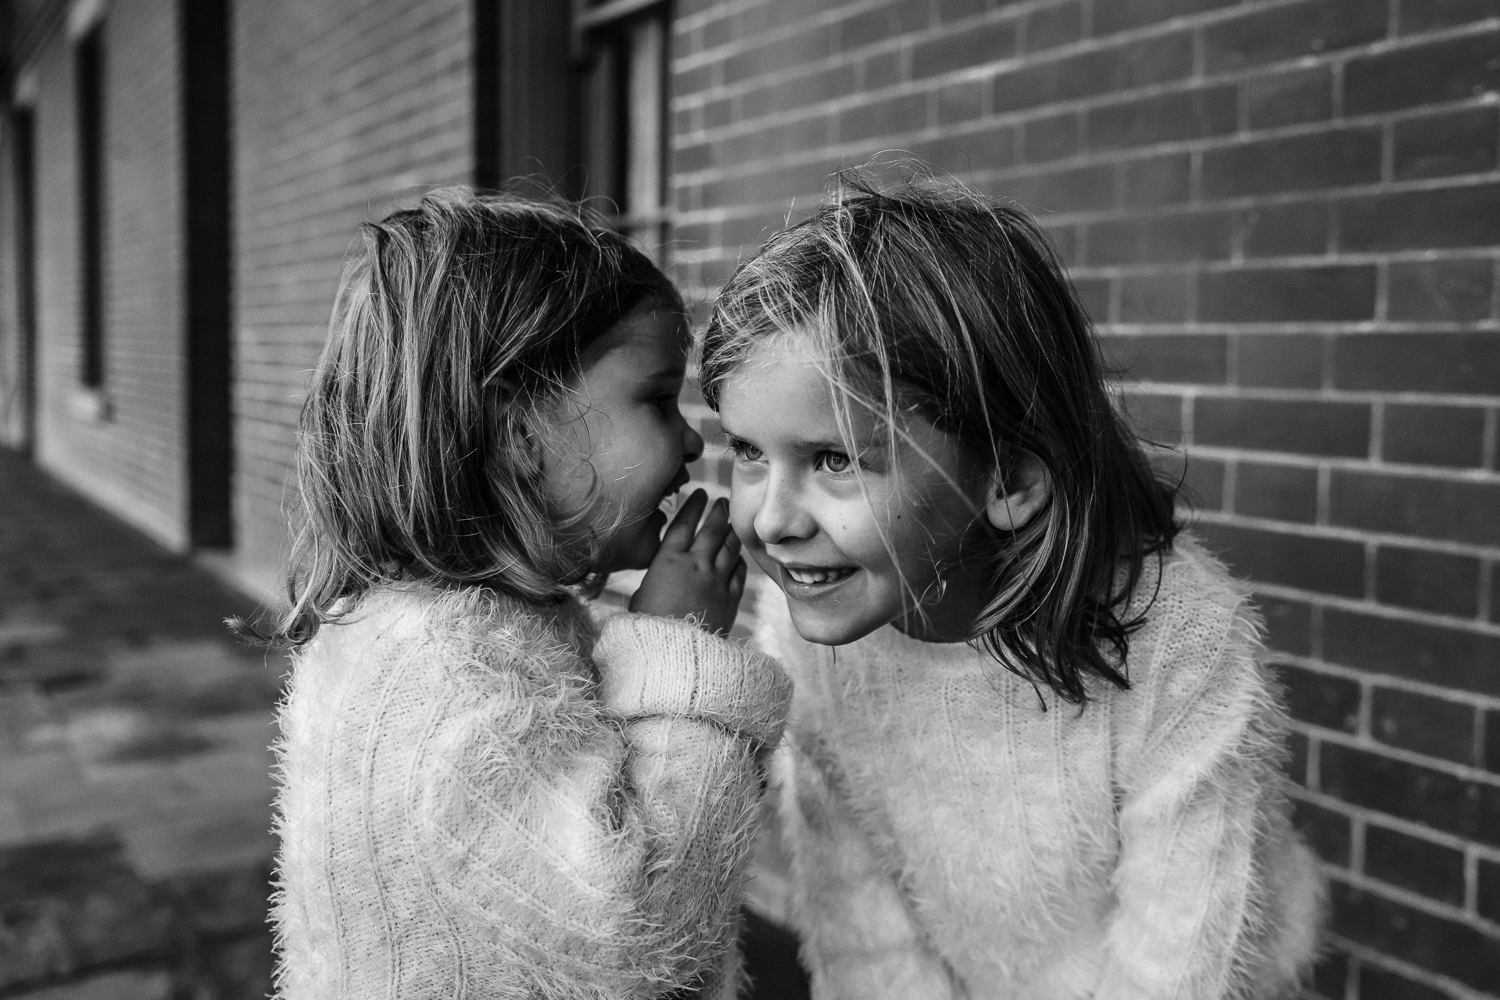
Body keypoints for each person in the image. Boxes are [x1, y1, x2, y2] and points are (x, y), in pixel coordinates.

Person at [700, 173, 1325, 1000]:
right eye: (748, 452)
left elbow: (1181, 961)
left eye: (835, 459)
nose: (772, 518)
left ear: (1007, 480)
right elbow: (863, 931)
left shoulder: (1180, 642)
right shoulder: (806, 632)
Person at [254, 188, 791, 999]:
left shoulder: (466, 632)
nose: (690, 439)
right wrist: (681, 647)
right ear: (520, 433)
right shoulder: (438, 678)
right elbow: (637, 932)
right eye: (654, 396)